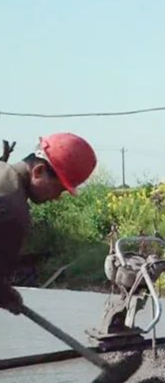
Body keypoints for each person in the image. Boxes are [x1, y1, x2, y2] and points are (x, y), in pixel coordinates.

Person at [0, 133, 98, 313]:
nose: (57, 198)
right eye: (58, 188)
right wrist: (7, 296)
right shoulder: (12, 211)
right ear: (38, 171)